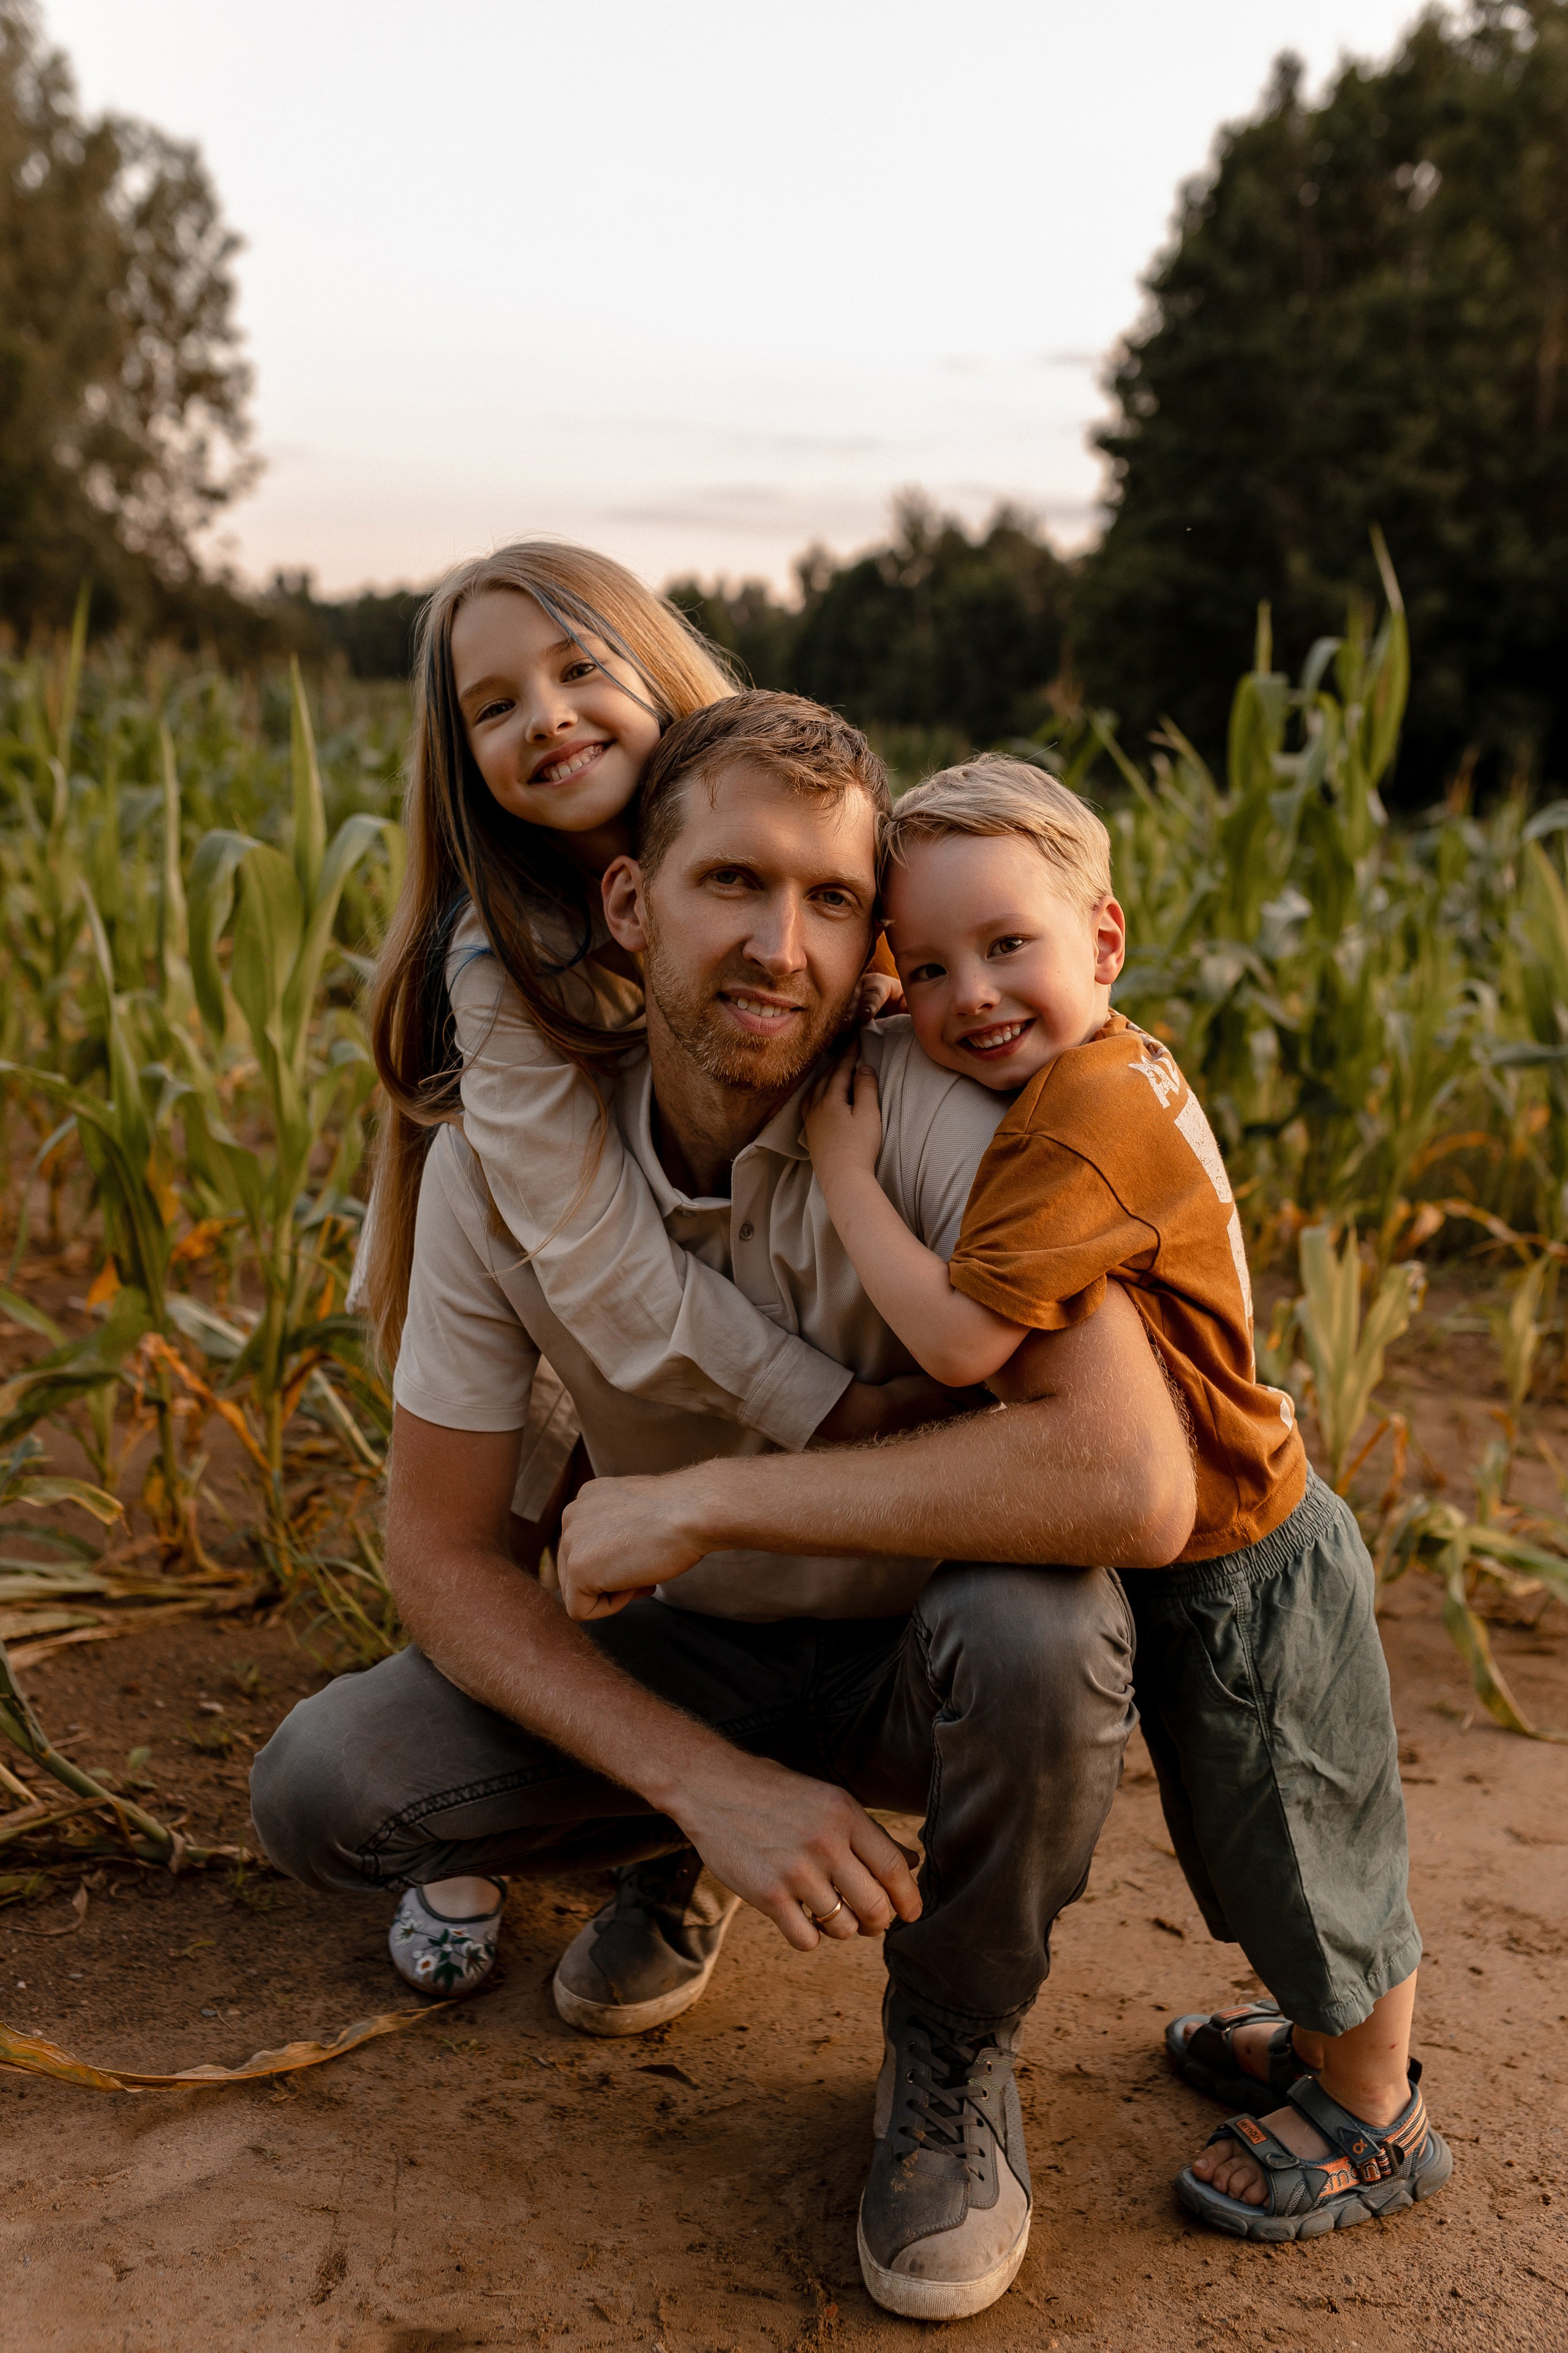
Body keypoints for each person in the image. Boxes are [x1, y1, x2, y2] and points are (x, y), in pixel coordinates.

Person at [253, 693, 1196, 2322]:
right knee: (329, 1787)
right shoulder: (509, 1164)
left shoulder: (936, 1116)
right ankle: (678, 1853)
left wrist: (704, 1498)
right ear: (631, 902)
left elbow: (1130, 1474)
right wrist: (711, 1785)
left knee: (1049, 1628)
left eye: (834, 901)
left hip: (919, 1671)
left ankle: (954, 2051)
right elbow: (439, 1548)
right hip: (690, 1661)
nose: (783, 944)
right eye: (734, 884)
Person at [778, 752, 1450, 2245]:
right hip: (1209, 1545)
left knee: (1307, 1840)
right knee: (1249, 1835)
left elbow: (958, 1339)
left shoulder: (1081, 1122)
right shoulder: (1105, 1059)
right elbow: (971, 992)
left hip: (1245, 1559)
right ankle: (1325, 2033)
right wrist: (908, 999)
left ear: (1104, 939)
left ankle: (1375, 2108)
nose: (967, 996)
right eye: (925, 964)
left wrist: (842, 1166)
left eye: (1005, 946)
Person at [357, 543, 912, 1995]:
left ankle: (680, 1815)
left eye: (578, 668)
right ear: (462, 760)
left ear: (657, 671)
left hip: (740, 1251)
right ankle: (564, 1818)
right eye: (493, 705)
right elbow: (599, 1271)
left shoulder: (784, 835)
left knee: (680, 1527)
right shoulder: (498, 967)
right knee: (537, 1513)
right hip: (559, 1271)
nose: (544, 715)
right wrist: (829, 1412)